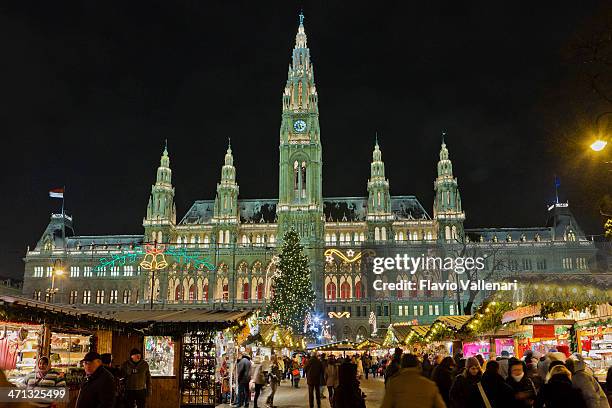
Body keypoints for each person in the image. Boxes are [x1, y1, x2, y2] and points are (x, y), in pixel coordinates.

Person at [381, 353, 446, 408]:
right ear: (417, 365)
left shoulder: (394, 383)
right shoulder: (429, 384)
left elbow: (386, 405)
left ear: (401, 365)